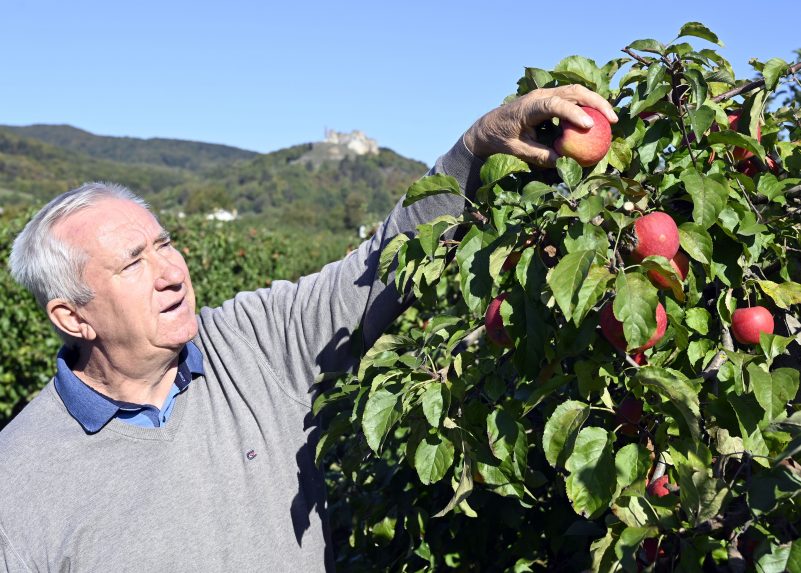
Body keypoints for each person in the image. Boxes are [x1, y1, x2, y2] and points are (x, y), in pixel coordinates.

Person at [0, 85, 616, 571]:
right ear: (72, 316)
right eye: (134, 263)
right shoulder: (20, 481)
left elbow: (376, 269)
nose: (169, 272)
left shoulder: (250, 345)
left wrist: (476, 148)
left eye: (164, 244)